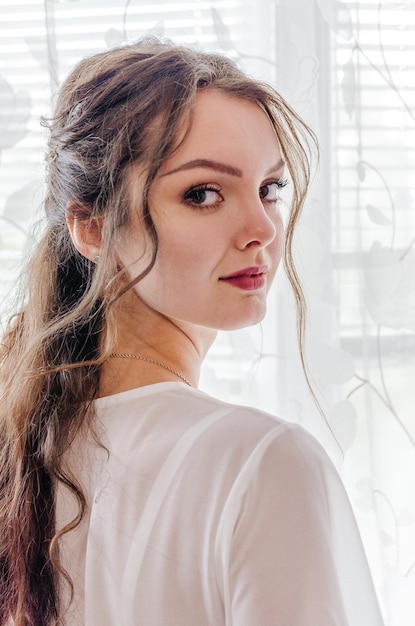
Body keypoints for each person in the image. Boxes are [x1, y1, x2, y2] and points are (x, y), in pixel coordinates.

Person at [0, 39, 383, 626]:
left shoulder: (25, 456)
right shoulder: (263, 465)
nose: (260, 227)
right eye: (203, 194)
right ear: (93, 227)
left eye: (270, 188)